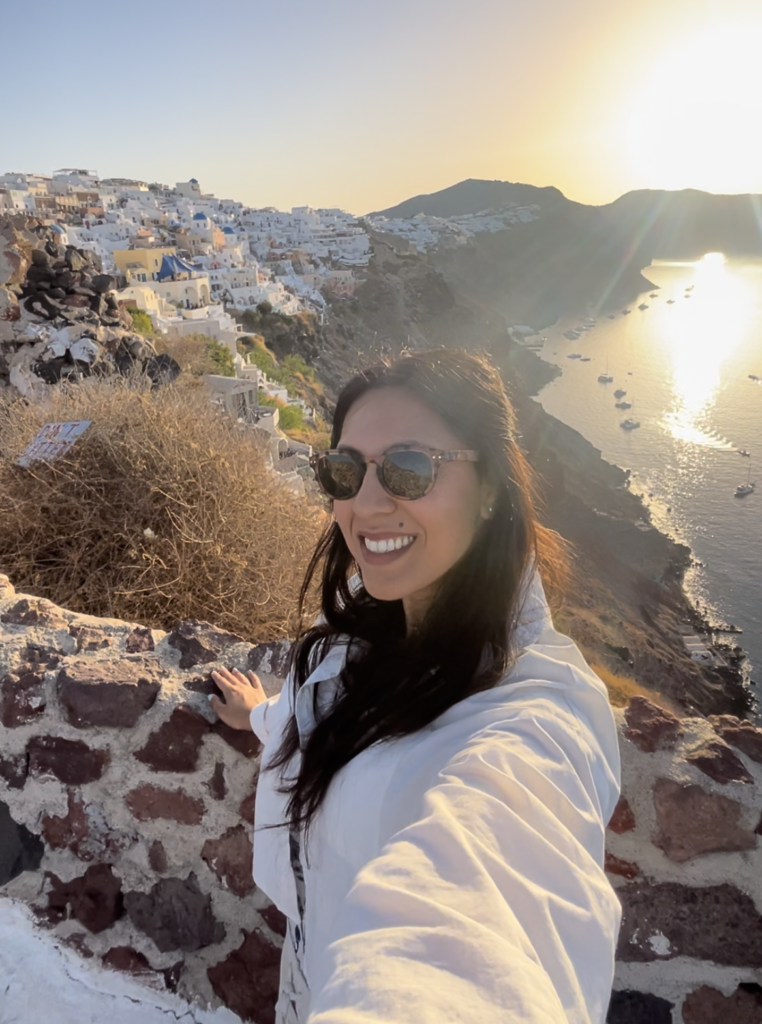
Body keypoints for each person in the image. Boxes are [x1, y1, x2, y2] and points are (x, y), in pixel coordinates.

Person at [210, 349, 622, 1024]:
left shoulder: (535, 713)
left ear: (490, 490)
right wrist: (261, 715)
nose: (367, 505)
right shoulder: (359, 636)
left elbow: (491, 890)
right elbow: (321, 717)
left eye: (410, 468)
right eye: (344, 472)